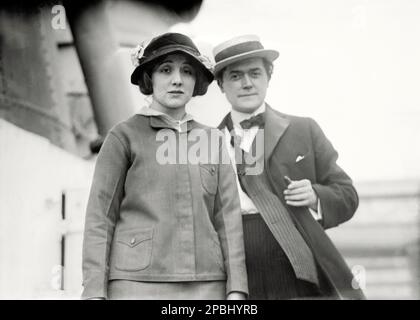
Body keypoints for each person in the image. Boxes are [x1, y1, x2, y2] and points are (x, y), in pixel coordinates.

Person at [81, 32, 248, 300]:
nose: (177, 80)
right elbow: (100, 218)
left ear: (196, 82)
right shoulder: (123, 137)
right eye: (165, 69)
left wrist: (237, 289)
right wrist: (94, 293)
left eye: (187, 71)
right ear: (150, 78)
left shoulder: (212, 140)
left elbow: (227, 218)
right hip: (135, 285)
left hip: (207, 286)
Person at [213, 34, 365, 299]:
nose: (247, 83)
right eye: (236, 76)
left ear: (268, 78)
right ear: (221, 85)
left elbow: (347, 195)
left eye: (255, 73)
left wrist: (316, 196)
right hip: (235, 269)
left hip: (298, 264)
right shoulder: (205, 143)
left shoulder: (303, 129)